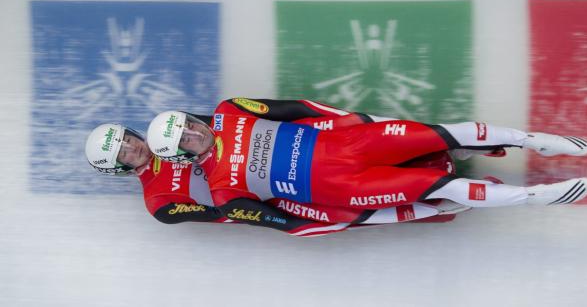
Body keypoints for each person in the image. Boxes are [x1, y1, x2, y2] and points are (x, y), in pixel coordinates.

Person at [146, 98, 587, 215]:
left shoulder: (229, 110)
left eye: (188, 124)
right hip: (347, 188)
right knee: (443, 187)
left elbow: (296, 108)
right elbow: (285, 220)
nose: (193, 133)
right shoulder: (223, 191)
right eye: (185, 140)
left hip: (353, 144)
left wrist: (356, 120)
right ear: (183, 157)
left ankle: (534, 139)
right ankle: (536, 197)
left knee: (445, 132)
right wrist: (349, 218)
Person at [85, 103, 470, 237]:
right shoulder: (158, 203)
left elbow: (216, 126)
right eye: (123, 152)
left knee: (347, 134)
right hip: (267, 193)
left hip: (274, 156)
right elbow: (222, 211)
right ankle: (428, 207)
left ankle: (440, 142)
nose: (132, 146)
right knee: (338, 212)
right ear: (119, 168)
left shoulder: (167, 131)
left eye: (126, 138)